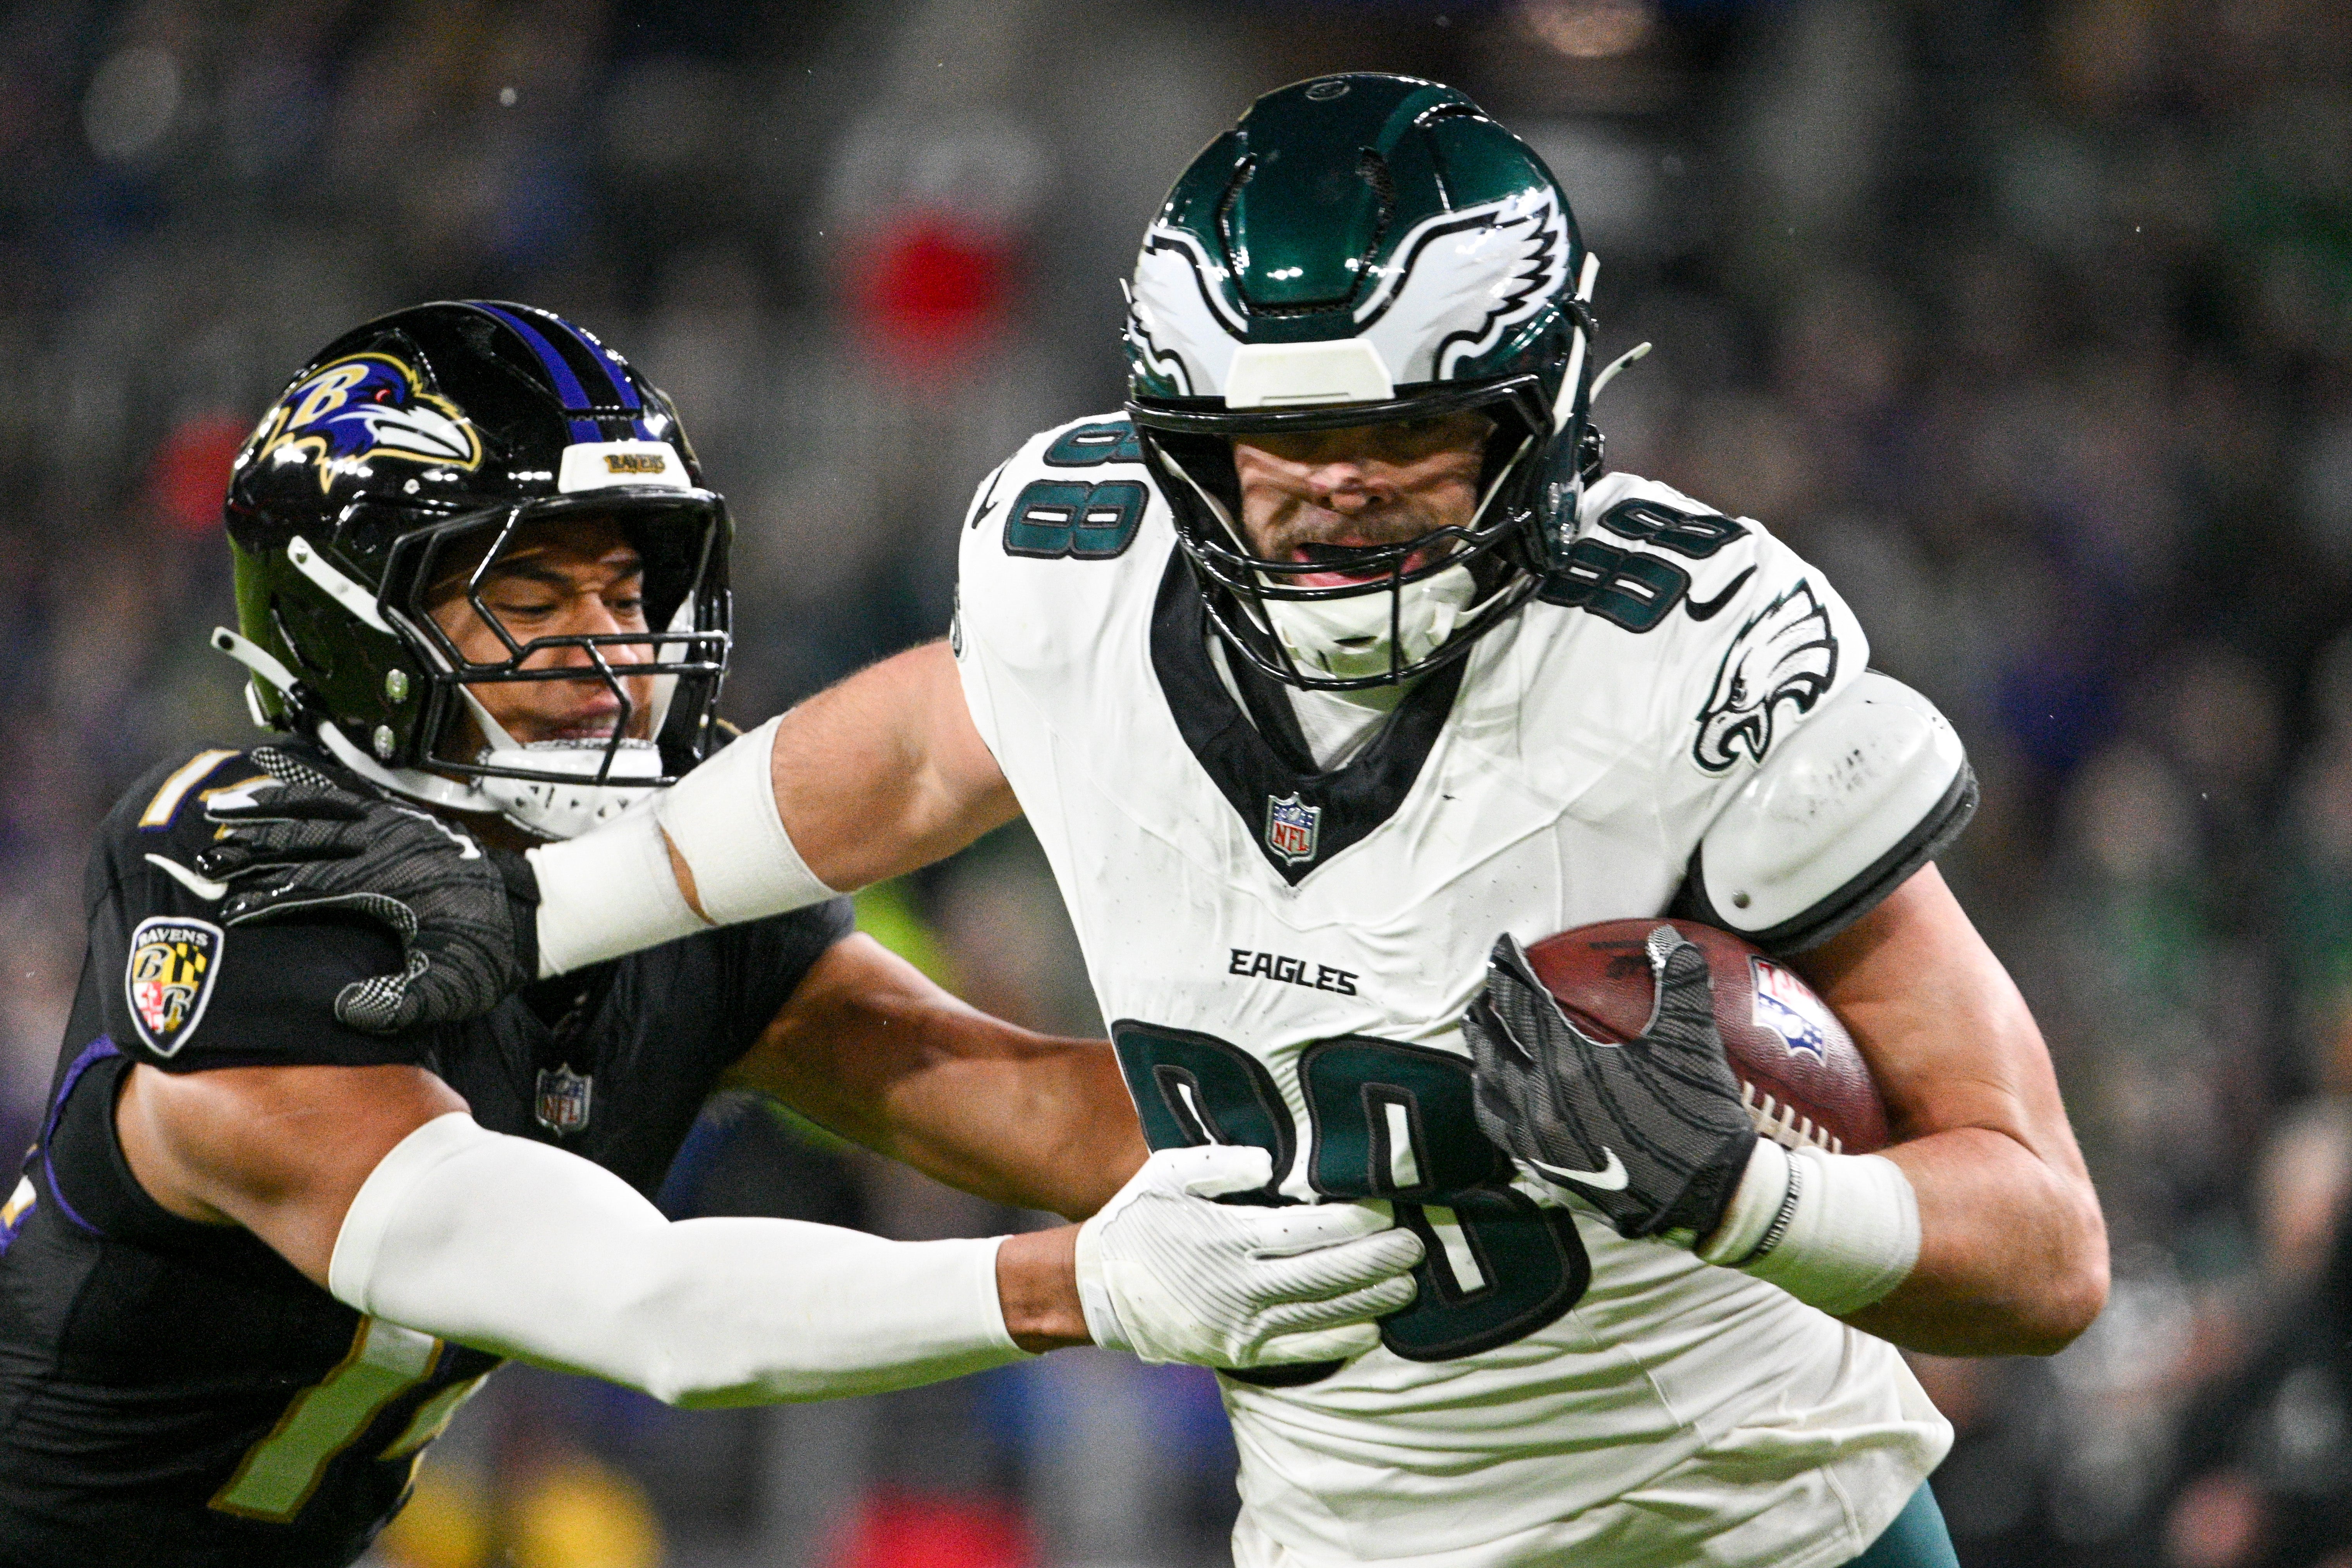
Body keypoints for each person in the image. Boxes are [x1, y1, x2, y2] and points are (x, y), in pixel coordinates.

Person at [218, 80, 2110, 1568]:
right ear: (1175, 440)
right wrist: (550, 909)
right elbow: (883, 766)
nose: (1338, 496)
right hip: (1345, 1543)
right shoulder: (1080, 581)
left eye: (1410, 437)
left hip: (1768, 1526)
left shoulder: (1692, 671)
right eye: (1278, 447)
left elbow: (2044, 1249)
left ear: (1535, 421)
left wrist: (1755, 1194)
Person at [0, 301, 1425, 1568]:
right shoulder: (256, 868)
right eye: (530, 597)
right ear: (352, 623)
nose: (611, 652)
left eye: (626, 593)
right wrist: (1080, 1285)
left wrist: (1429, 1129)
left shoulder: (649, 872)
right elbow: (651, 1307)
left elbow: (998, 1094)